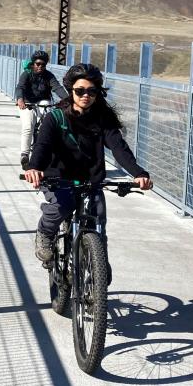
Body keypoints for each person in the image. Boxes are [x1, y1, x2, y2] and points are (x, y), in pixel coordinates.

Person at [23, 62, 152, 282]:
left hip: (89, 179)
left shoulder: (102, 119)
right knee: (61, 206)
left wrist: (138, 173)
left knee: (98, 215)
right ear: (70, 90)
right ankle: (45, 233)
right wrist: (34, 168)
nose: (86, 95)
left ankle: (99, 260)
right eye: (80, 91)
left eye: (92, 91)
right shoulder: (56, 118)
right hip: (57, 177)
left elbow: (119, 148)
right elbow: (42, 146)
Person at [15, 49, 68, 170]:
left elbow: (57, 88)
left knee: (47, 122)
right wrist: (20, 99)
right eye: (38, 64)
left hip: (42, 101)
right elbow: (20, 87)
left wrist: (68, 99)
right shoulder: (27, 74)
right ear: (33, 64)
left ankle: (46, 153)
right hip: (27, 102)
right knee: (28, 126)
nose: (40, 66)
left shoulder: (48, 76)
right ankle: (24, 155)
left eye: (43, 64)